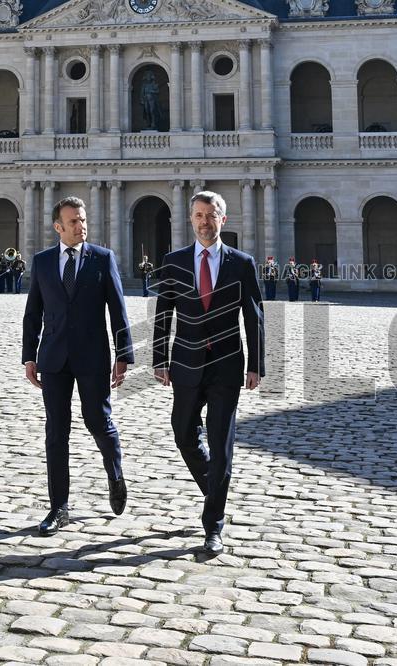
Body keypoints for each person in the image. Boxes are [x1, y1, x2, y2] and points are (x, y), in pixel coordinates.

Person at [153, 190, 265, 555]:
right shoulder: (174, 262)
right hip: (184, 365)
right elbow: (163, 313)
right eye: (199, 215)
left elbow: (254, 316)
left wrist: (256, 364)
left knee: (222, 445)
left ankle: (213, 525)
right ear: (191, 219)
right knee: (183, 434)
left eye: (211, 214)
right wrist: (159, 358)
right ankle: (214, 488)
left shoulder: (241, 262)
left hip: (226, 367)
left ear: (223, 219)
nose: (205, 221)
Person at [22, 196, 135, 537]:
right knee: (56, 432)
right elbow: (33, 313)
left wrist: (124, 354)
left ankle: (115, 474)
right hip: (54, 358)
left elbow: (117, 308)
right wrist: (29, 355)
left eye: (83, 220)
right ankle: (59, 507)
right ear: (58, 226)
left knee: (98, 420)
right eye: (73, 222)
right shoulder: (42, 262)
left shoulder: (103, 259)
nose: (80, 226)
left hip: (92, 356)